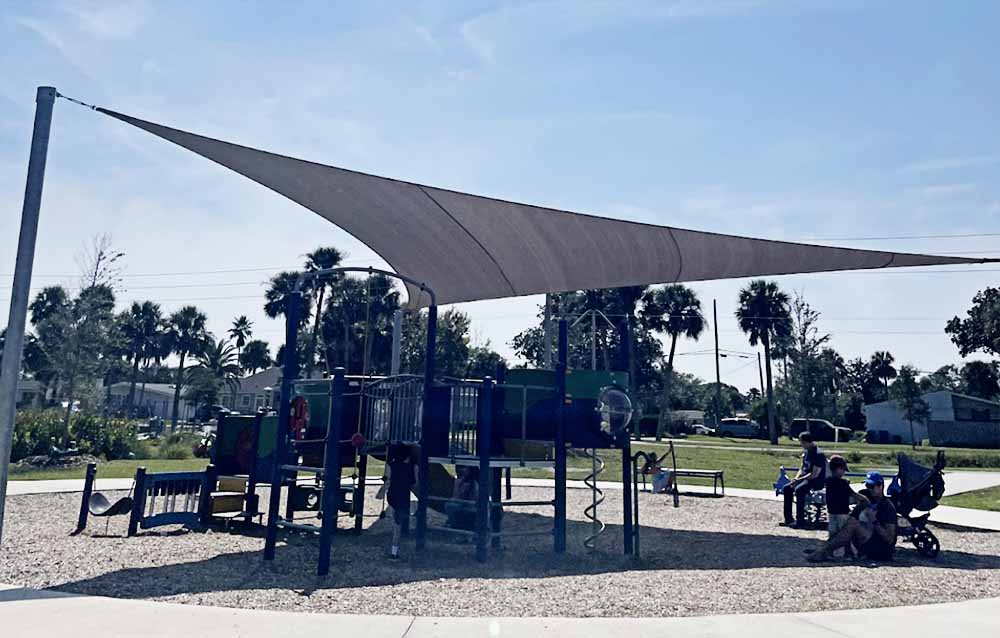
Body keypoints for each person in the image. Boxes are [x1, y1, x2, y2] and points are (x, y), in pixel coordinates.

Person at [808, 471, 897, 563]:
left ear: (880, 486)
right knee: (848, 522)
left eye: (872, 486)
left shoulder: (887, 506)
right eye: (867, 486)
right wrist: (860, 505)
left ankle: (824, 551)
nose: (869, 489)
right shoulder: (868, 499)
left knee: (853, 524)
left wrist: (874, 521)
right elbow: (851, 518)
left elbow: (889, 539)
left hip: (881, 548)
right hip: (867, 540)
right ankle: (826, 549)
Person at [781, 432, 827, 528]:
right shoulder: (807, 452)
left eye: (802, 442)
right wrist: (796, 479)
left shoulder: (818, 454)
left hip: (815, 481)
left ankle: (800, 521)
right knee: (787, 488)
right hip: (805, 478)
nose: (801, 445)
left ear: (807, 442)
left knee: (799, 490)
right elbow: (802, 468)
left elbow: (814, 474)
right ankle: (788, 519)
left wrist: (798, 481)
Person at [824, 455, 867, 557]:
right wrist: (865, 499)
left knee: (833, 533)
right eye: (843, 470)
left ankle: (833, 552)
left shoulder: (828, 481)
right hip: (842, 513)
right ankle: (845, 553)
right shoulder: (842, 483)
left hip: (831, 512)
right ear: (838, 469)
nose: (843, 472)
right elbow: (853, 495)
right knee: (844, 534)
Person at [385, 443, 416, 559]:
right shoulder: (410, 468)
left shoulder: (391, 465)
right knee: (398, 526)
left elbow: (387, 480)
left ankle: (394, 550)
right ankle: (394, 552)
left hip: (392, 496)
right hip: (402, 498)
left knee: (397, 523)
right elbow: (414, 483)